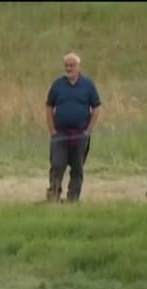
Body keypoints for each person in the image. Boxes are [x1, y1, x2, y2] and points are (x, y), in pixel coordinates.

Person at [45, 53, 102, 202]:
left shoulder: (88, 85)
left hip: (80, 134)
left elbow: (96, 107)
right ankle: (54, 195)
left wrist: (89, 130)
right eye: (67, 66)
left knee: (77, 167)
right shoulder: (57, 85)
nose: (69, 68)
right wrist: (52, 130)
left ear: (78, 67)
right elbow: (49, 106)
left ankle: (73, 197)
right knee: (57, 164)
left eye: (72, 65)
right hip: (60, 134)